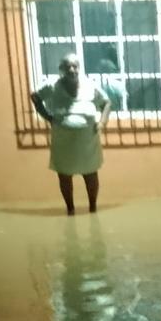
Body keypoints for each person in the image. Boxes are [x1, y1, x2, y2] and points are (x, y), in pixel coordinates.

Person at [31, 53, 111, 214]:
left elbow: (106, 102)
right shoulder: (52, 85)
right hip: (63, 139)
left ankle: (93, 208)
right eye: (68, 66)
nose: (72, 70)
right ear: (62, 70)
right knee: (65, 175)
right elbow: (35, 96)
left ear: (79, 68)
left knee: (90, 173)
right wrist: (47, 116)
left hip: (87, 140)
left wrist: (102, 122)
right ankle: (70, 209)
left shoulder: (90, 85)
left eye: (75, 66)